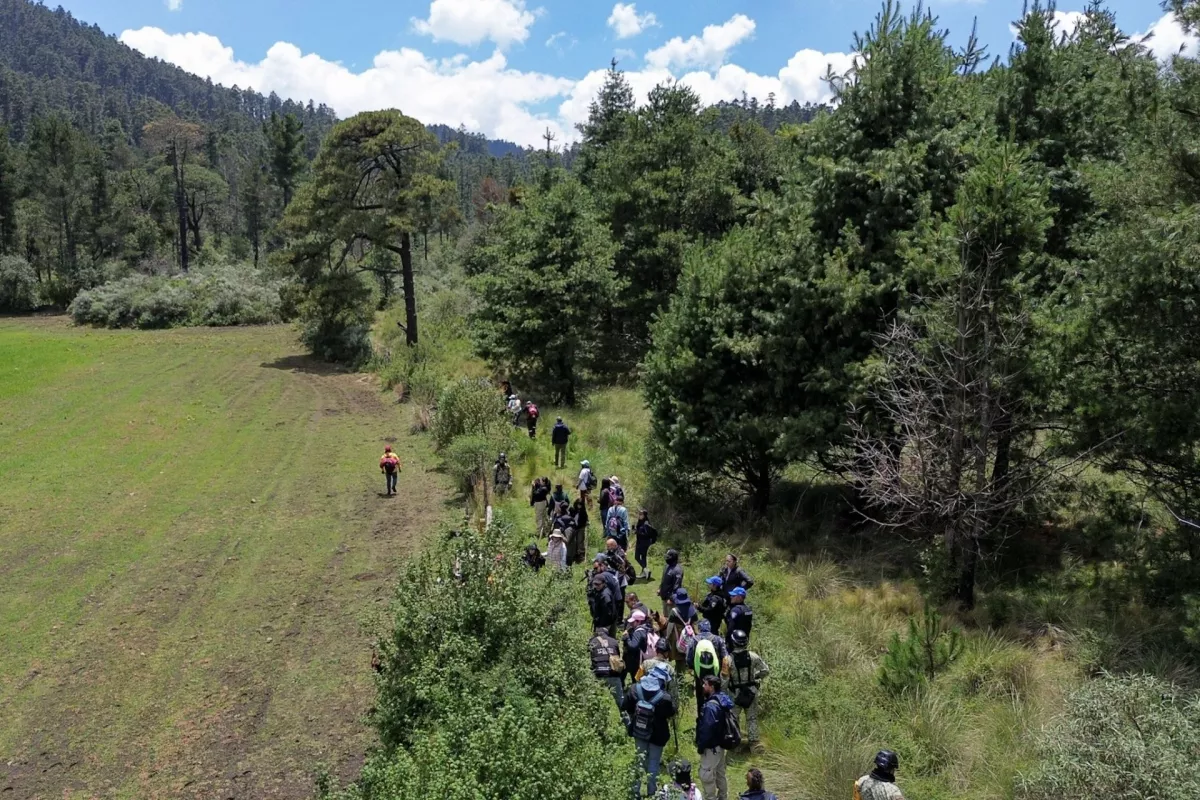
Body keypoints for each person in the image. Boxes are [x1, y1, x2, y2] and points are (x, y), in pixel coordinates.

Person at [621, 672, 676, 799]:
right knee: (654, 762)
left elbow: (625, 706)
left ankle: (635, 792)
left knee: (639, 761)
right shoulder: (665, 697)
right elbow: (671, 712)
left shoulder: (635, 689)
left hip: (639, 732)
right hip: (658, 735)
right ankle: (652, 793)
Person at [725, 628, 769, 753]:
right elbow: (766, 670)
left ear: (733, 642)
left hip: (735, 694)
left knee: (734, 718)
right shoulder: (754, 656)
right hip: (751, 692)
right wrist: (755, 677)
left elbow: (724, 681)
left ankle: (736, 744)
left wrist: (722, 694)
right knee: (752, 718)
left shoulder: (727, 660)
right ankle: (754, 744)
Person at [696, 675, 734, 800]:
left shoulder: (710, 706)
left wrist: (701, 746)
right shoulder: (721, 699)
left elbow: (707, 729)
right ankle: (723, 797)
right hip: (720, 746)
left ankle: (711, 798)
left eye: (705, 684)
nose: (702, 686)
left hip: (711, 747)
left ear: (711, 687)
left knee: (706, 775)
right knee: (720, 773)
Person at [589, 625, 625, 706]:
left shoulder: (592, 642)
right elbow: (617, 657)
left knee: (595, 701)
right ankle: (626, 717)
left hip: (598, 674)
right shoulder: (614, 641)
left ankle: (596, 716)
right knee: (620, 701)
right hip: (613, 674)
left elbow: (590, 658)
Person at [665, 588, 699, 673]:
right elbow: (695, 622)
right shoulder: (693, 610)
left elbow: (670, 626)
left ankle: (680, 675)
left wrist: (667, 637)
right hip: (690, 635)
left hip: (678, 636)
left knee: (679, 657)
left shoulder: (674, 612)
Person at [623, 609, 653, 678]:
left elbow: (633, 646)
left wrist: (627, 637)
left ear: (638, 621)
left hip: (639, 660)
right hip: (648, 657)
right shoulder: (648, 627)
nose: (631, 624)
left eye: (633, 622)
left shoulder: (639, 632)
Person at [634, 509, 658, 580]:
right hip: (640, 542)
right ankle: (644, 573)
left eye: (641, 514)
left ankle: (645, 570)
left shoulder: (646, 523)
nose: (639, 516)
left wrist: (637, 532)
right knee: (643, 557)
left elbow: (646, 534)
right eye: (639, 514)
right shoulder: (640, 522)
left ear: (644, 515)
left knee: (637, 557)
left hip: (644, 543)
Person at [658, 549, 684, 617]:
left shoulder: (677, 570)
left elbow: (677, 586)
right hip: (664, 597)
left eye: (668, 557)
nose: (666, 558)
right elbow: (664, 579)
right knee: (666, 616)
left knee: (671, 619)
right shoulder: (666, 566)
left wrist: (671, 599)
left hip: (670, 600)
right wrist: (660, 588)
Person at [570, 498, 590, 564]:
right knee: (574, 541)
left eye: (580, 505)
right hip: (574, 527)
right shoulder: (572, 510)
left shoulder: (583, 511)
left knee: (580, 540)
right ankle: (574, 553)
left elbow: (586, 518)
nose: (579, 506)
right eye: (578, 504)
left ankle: (581, 553)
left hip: (581, 528)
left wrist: (586, 522)